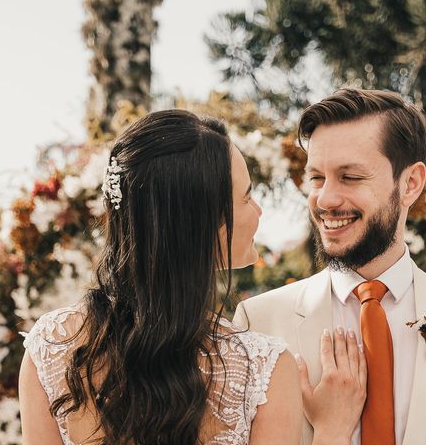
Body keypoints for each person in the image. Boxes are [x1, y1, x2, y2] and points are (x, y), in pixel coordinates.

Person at [19, 110, 366, 445]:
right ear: (199, 225)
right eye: (246, 197)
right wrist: (332, 433)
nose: (258, 211)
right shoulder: (265, 370)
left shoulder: (50, 349)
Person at [234, 89, 426, 445]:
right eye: (316, 178)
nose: (326, 199)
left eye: (350, 177)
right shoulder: (258, 324)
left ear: (410, 184)